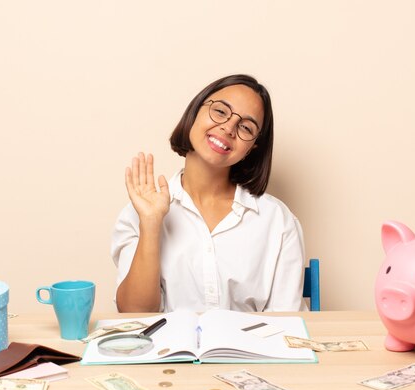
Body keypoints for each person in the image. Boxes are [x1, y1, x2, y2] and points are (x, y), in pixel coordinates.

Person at [111, 74, 307, 313]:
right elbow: (134, 315)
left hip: (251, 351)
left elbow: (286, 325)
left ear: (253, 147)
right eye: (221, 111)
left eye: (246, 127)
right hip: (167, 350)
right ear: (195, 111)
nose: (228, 128)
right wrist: (150, 225)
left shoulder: (277, 220)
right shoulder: (140, 211)